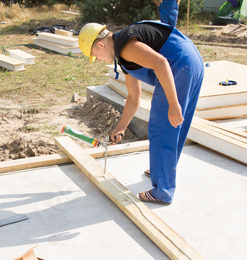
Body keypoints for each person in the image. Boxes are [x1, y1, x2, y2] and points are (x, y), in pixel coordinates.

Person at [78, 0, 204, 205]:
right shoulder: (124, 52)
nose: (99, 60)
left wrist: (173, 103)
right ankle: (159, 171)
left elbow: (161, 62)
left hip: (177, 67)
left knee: (162, 126)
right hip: (191, 64)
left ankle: (163, 191)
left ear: (100, 44)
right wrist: (120, 128)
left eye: (95, 56)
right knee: (171, 126)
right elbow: (134, 97)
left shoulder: (125, 46)